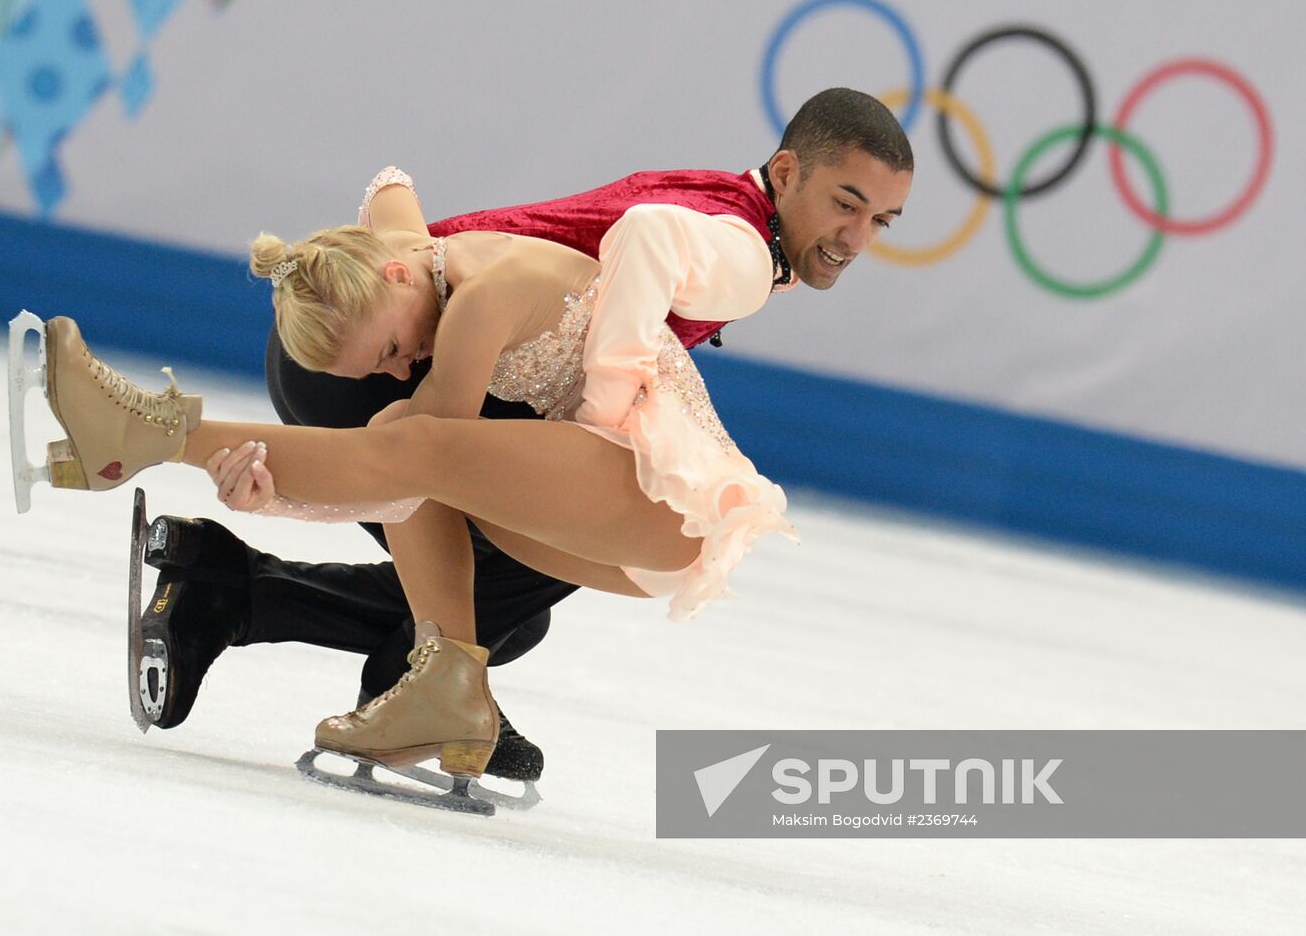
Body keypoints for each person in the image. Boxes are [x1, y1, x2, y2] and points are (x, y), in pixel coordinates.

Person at [136, 87, 915, 779]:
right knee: (481, 561)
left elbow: (391, 189)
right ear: (785, 173)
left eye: (879, 219)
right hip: (392, 351)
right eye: (846, 203)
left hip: (342, 337)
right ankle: (387, 662)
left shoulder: (721, 203)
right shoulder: (744, 250)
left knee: (506, 601)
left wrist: (398, 246)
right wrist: (604, 420)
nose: (857, 235)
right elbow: (644, 236)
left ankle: (268, 604)